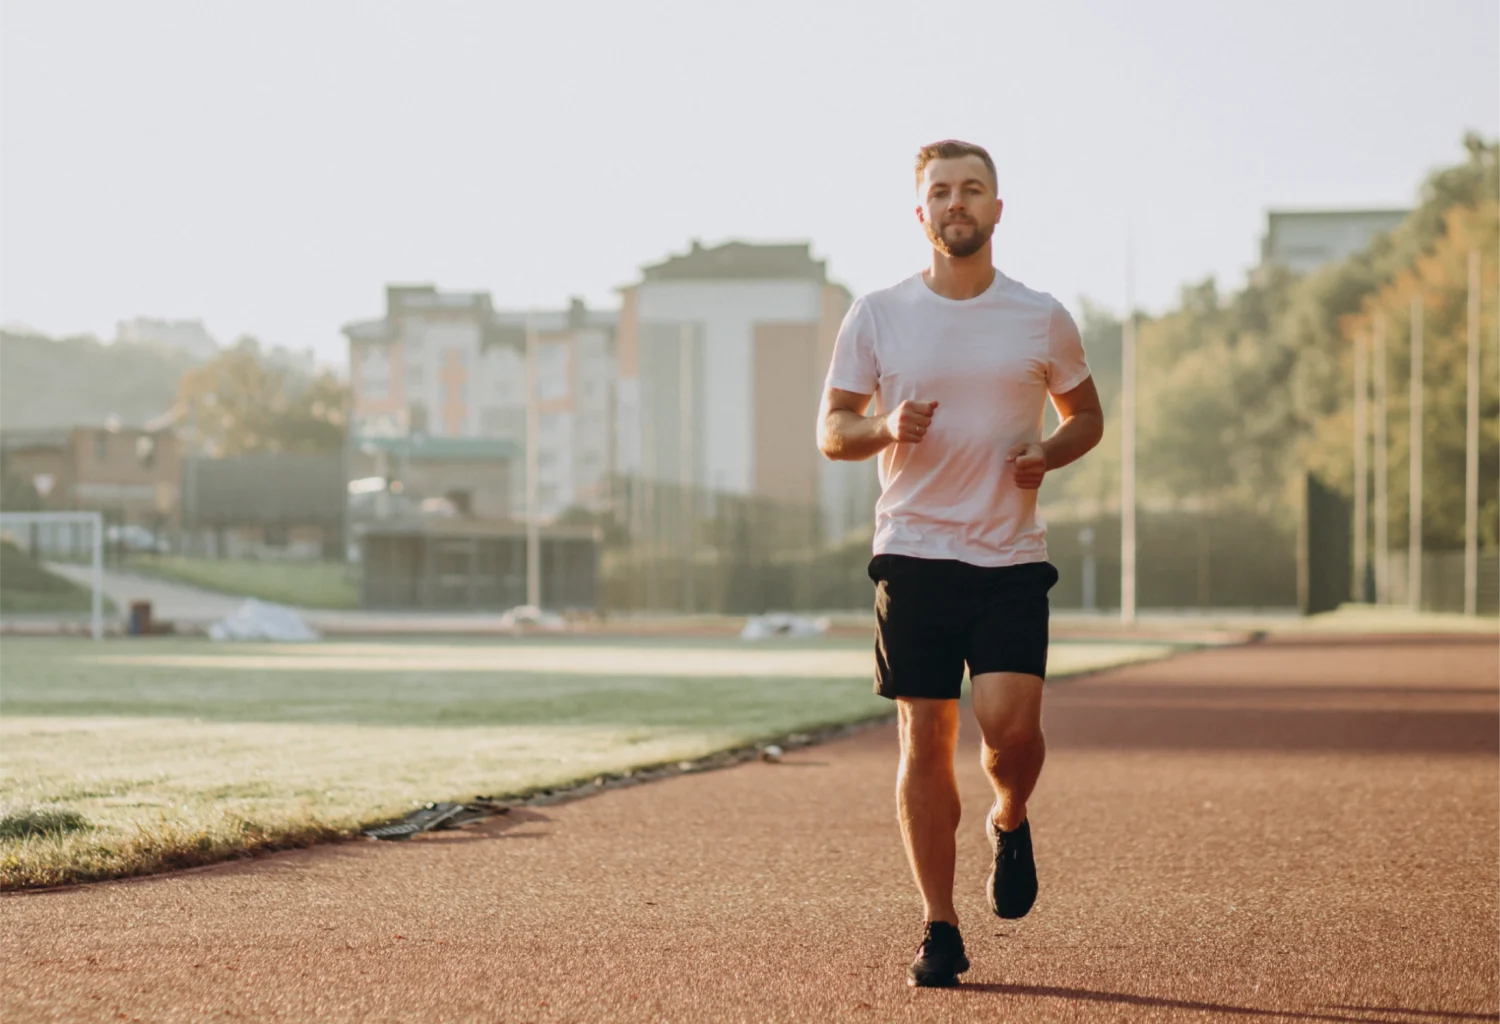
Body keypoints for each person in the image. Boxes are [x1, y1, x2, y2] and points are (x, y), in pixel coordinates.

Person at [815, 139, 1104, 988]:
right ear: (921, 213)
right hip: (914, 552)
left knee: (1012, 736)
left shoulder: (1040, 315)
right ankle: (939, 926)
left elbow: (1086, 416)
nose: (957, 203)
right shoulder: (877, 313)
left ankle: (1010, 818)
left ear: (997, 209)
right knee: (926, 735)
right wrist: (883, 427)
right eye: (941, 192)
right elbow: (832, 430)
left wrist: (1047, 455)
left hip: (1010, 555)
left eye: (972, 189)